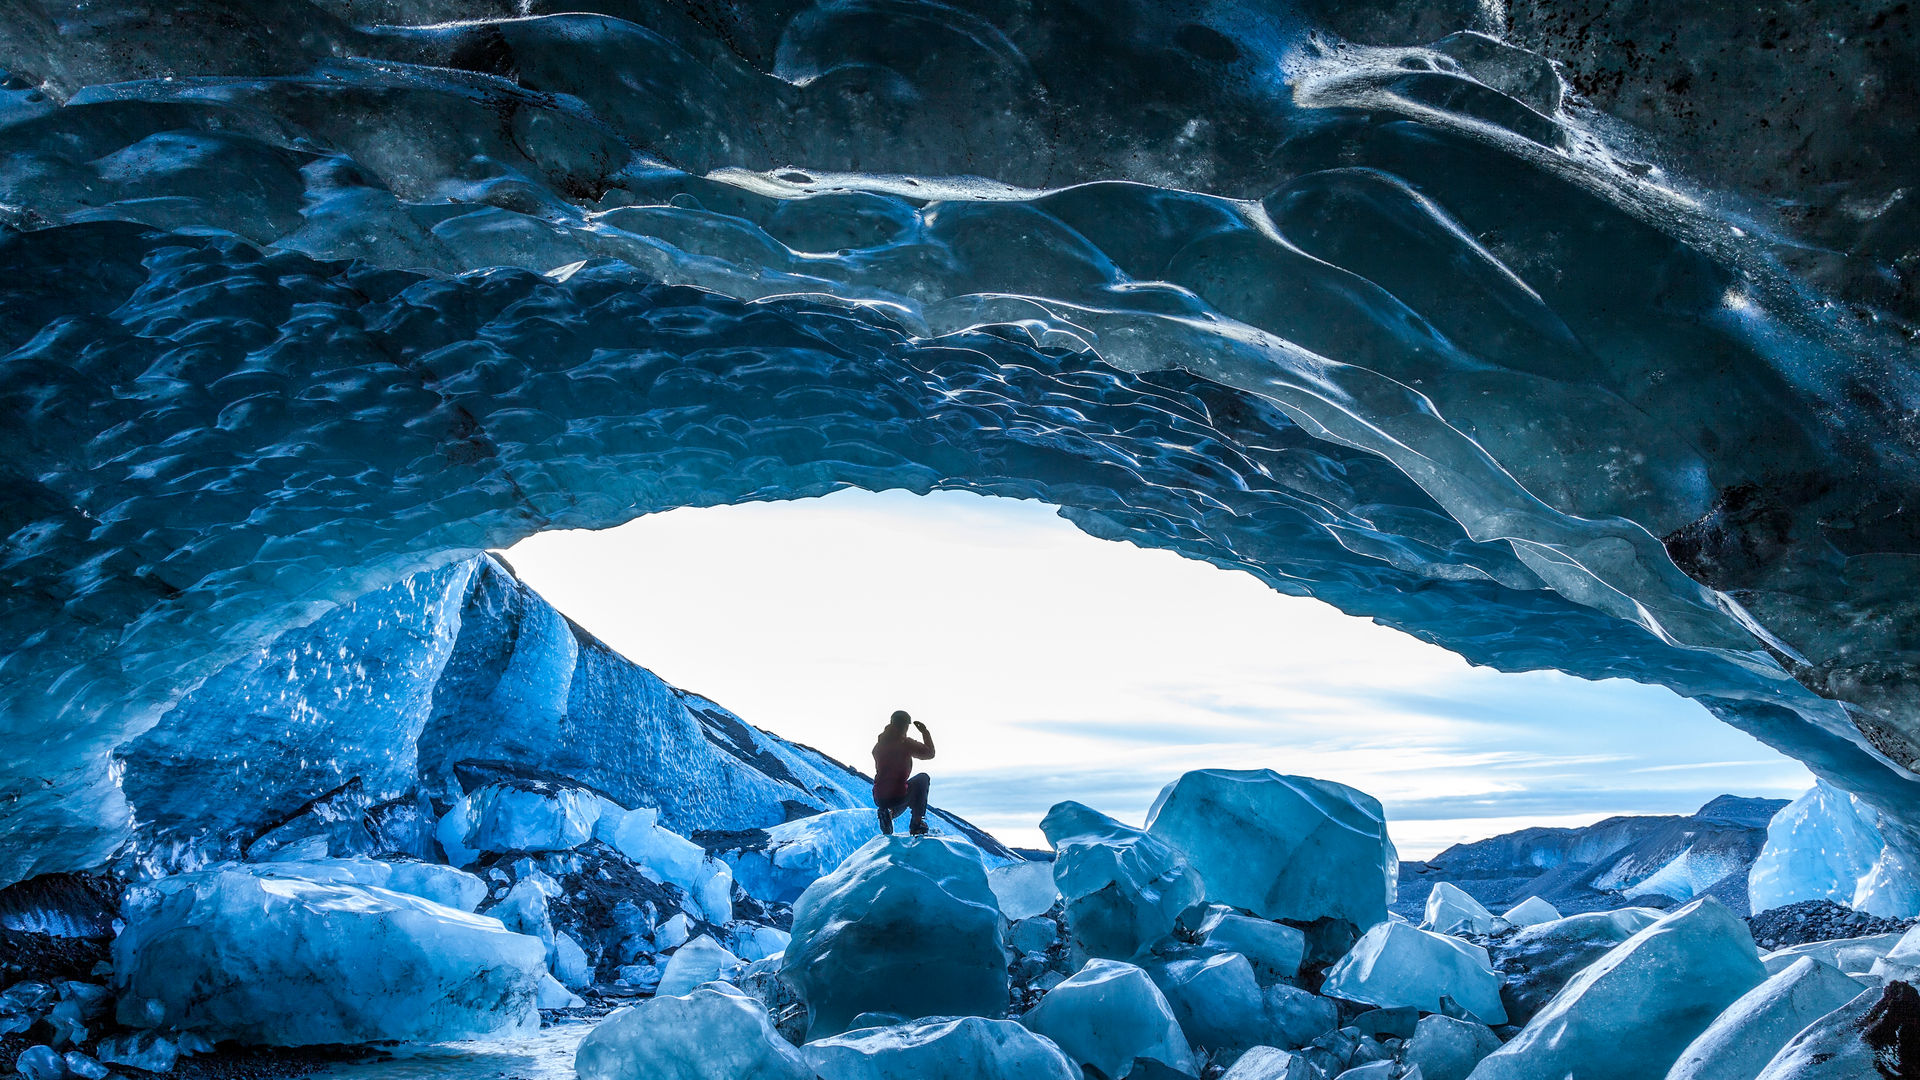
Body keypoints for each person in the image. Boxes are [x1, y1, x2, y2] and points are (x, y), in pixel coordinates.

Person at [872, 709, 935, 836]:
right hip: (898, 795)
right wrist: (925, 732)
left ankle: (889, 813)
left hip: (879, 797)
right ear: (905, 726)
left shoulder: (879, 745)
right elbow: (930, 754)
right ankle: (917, 823)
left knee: (900, 793)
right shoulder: (905, 743)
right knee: (922, 779)